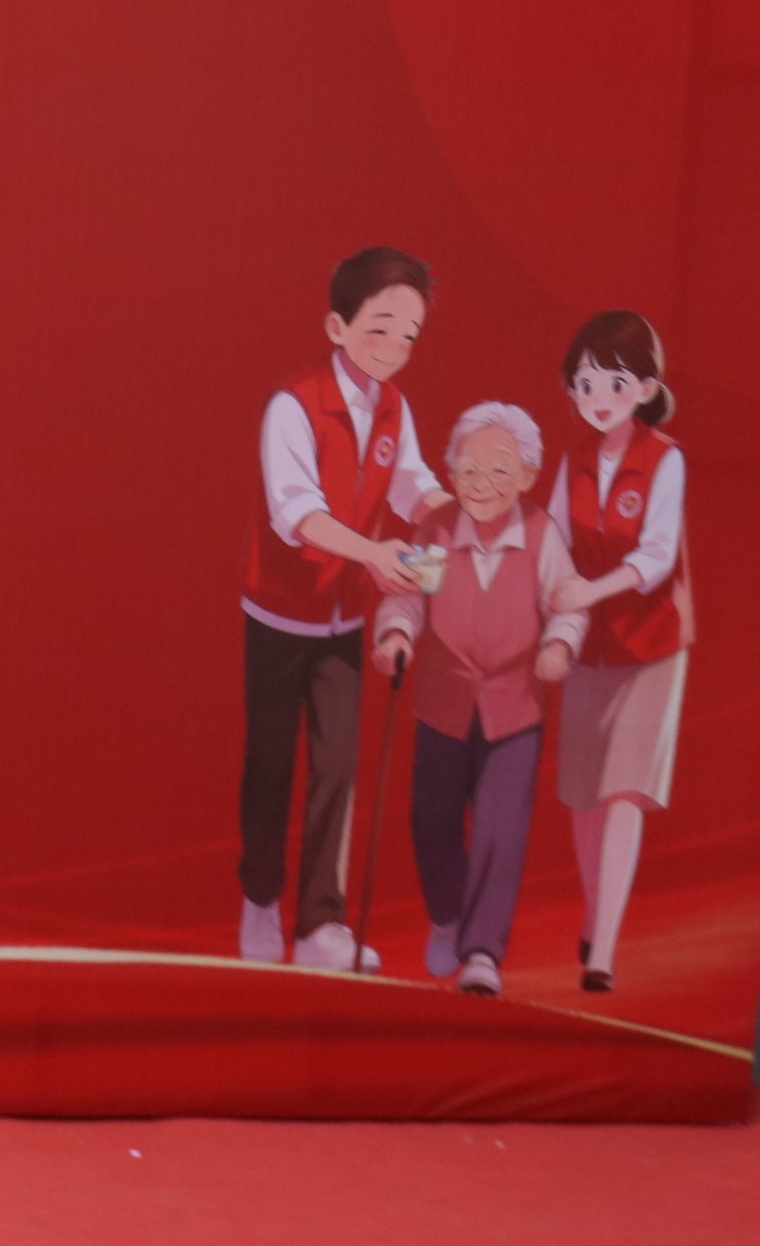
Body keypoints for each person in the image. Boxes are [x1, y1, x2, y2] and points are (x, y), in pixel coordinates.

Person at [236, 247, 442, 972]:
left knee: (338, 769)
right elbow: (297, 514)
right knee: (269, 766)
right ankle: (260, 898)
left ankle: (321, 922)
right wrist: (374, 553)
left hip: (345, 621)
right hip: (278, 616)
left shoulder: (394, 407)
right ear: (337, 326)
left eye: (408, 335)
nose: (393, 348)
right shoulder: (293, 406)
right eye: (379, 329)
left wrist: (460, 512)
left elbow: (411, 483)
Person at [372, 402, 580, 996]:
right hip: (444, 702)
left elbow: (567, 603)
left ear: (527, 477)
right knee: (431, 822)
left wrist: (560, 645)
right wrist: (396, 634)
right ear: (451, 473)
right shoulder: (438, 530)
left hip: (515, 709)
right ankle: (448, 917)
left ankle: (483, 951)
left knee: (498, 831)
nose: (480, 483)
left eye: (498, 470)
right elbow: (408, 599)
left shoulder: (540, 534)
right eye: (468, 470)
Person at [541, 310, 692, 994]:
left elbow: (657, 556)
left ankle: (602, 948)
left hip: (651, 645)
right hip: (587, 644)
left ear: (646, 388)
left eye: (615, 383)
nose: (598, 397)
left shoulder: (666, 459)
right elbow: (553, 542)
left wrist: (590, 590)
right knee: (583, 796)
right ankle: (594, 910)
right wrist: (558, 608)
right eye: (585, 384)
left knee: (625, 791)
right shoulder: (572, 461)